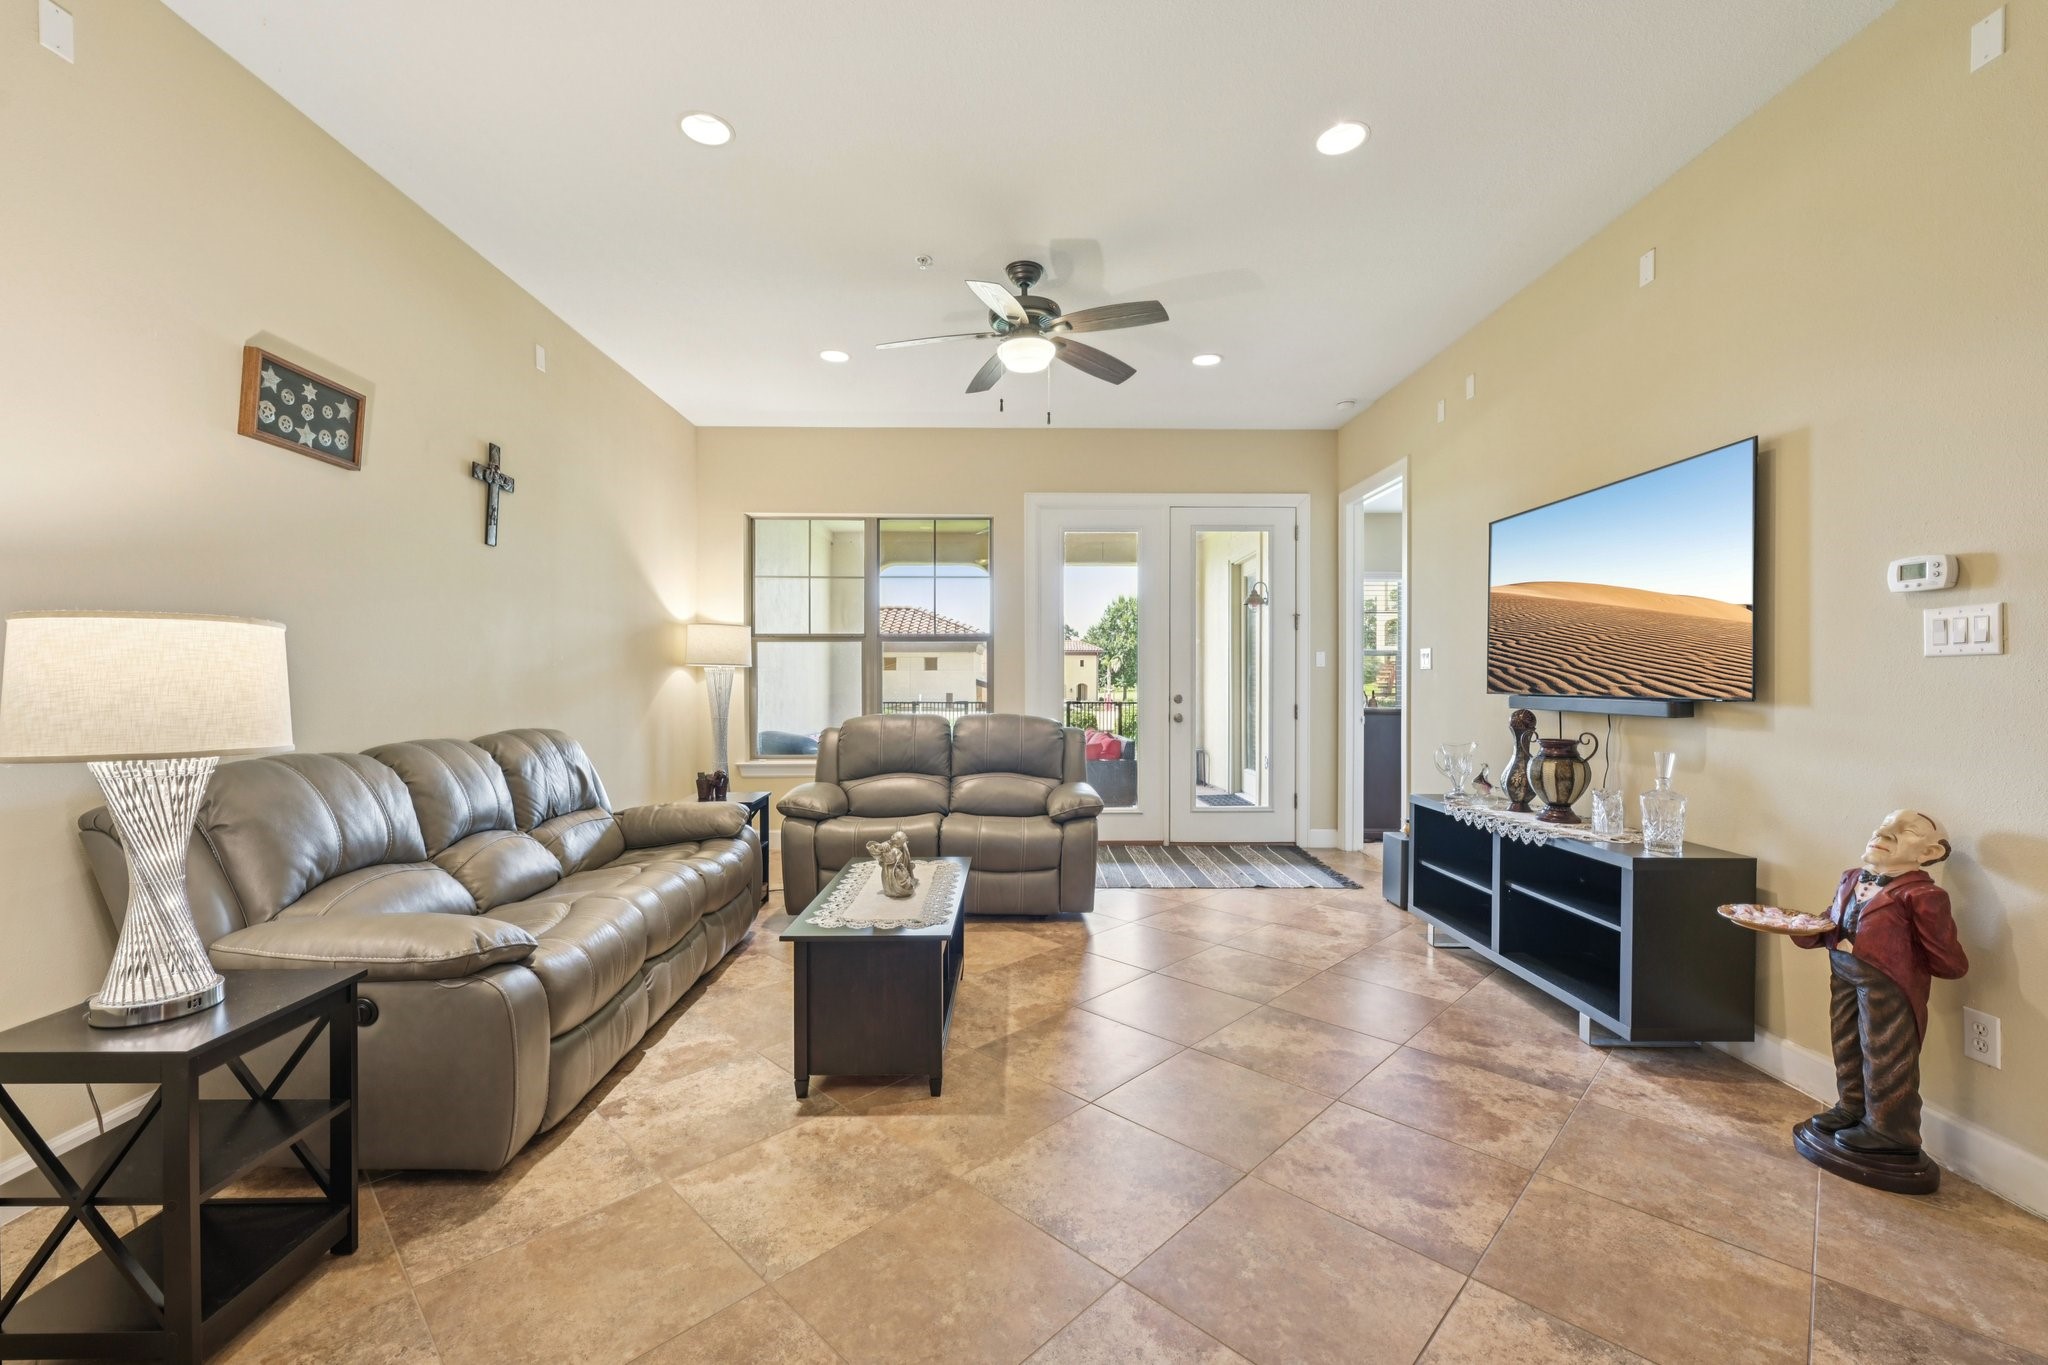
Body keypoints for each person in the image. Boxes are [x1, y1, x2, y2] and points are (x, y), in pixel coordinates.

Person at [1791, 810, 1969, 1154]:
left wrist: (1943, 962)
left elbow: (1945, 956)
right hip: (1842, 969)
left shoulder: (1923, 896)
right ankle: (1852, 1105)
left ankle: (1891, 1129)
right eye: (1885, 824)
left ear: (1928, 854)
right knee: (1845, 1040)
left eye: (1906, 831)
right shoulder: (1851, 877)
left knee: (1885, 1051)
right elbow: (1833, 919)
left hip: (1887, 982)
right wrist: (1804, 929)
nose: (1884, 831)